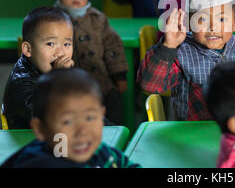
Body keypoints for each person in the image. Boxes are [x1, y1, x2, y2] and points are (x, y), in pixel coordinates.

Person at [137, 0, 235, 121]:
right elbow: (150, 85)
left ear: (234, 22)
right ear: (189, 23)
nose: (213, 27)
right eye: (202, 19)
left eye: (222, 19)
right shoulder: (180, 55)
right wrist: (168, 46)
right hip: (191, 137)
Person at [1, 68, 140, 168]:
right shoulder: (40, 163)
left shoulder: (98, 150)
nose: (82, 131)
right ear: (40, 129)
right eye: (67, 121)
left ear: (102, 116)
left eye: (90, 118)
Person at [53, 0, 128, 125]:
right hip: (68, 83)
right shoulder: (53, 19)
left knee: (114, 104)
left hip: (100, 81)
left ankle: (115, 140)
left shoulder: (98, 19)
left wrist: (119, 75)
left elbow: (112, 46)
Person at [3, 7, 74, 129]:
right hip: (31, 141)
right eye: (50, 44)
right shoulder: (21, 81)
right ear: (28, 49)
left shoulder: (61, 70)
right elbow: (44, 118)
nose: (61, 52)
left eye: (67, 44)